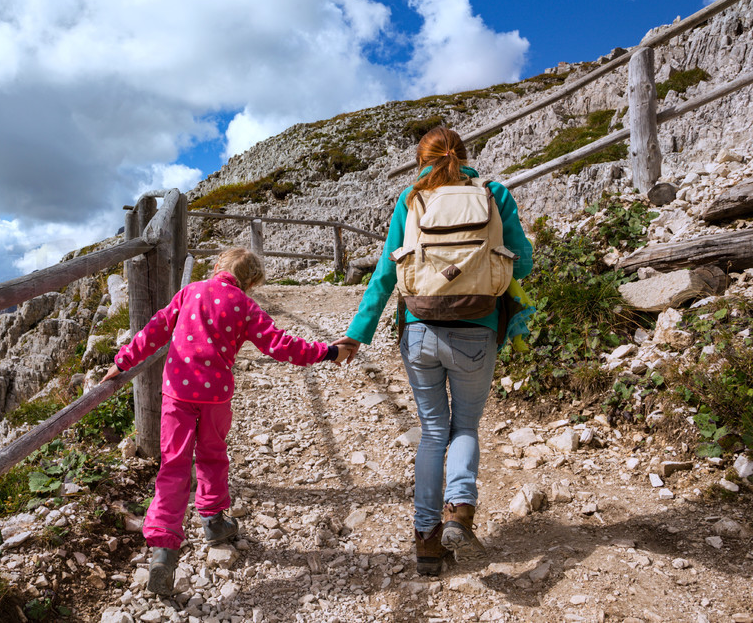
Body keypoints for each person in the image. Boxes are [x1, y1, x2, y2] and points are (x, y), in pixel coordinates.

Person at [333, 127, 533, 576]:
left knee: (431, 432)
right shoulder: (493, 192)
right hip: (477, 331)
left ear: (420, 159)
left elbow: (386, 271)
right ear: (464, 156)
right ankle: (459, 509)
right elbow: (524, 259)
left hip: (420, 331)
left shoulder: (411, 199)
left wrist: (356, 335)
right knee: (465, 426)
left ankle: (426, 542)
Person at [102, 247, 351, 595]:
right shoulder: (246, 306)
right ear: (249, 283)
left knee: (173, 466)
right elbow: (280, 345)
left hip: (177, 394)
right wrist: (328, 351)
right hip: (216, 397)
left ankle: (163, 551)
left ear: (218, 265)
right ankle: (214, 521)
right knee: (213, 455)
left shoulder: (190, 292)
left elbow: (156, 328)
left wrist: (123, 361)